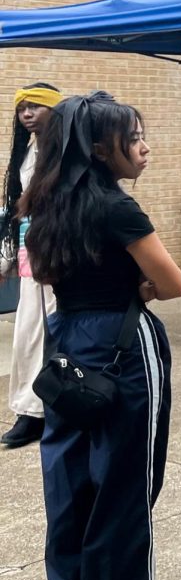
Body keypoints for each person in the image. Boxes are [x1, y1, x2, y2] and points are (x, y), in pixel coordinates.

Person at [23, 91, 181, 580]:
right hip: (122, 349)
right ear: (99, 148)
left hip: (66, 346)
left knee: (69, 492)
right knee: (124, 490)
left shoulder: (44, 202)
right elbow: (173, 285)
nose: (143, 147)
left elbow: (42, 273)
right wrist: (134, 290)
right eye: (133, 137)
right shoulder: (118, 208)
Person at [2, 82, 63, 448]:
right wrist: (7, 258)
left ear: (54, 110)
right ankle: (30, 410)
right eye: (21, 108)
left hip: (64, 254)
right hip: (33, 254)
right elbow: (16, 211)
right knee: (28, 334)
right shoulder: (24, 155)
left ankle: (55, 407)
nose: (26, 114)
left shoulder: (70, 151)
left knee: (59, 333)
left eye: (35, 106)